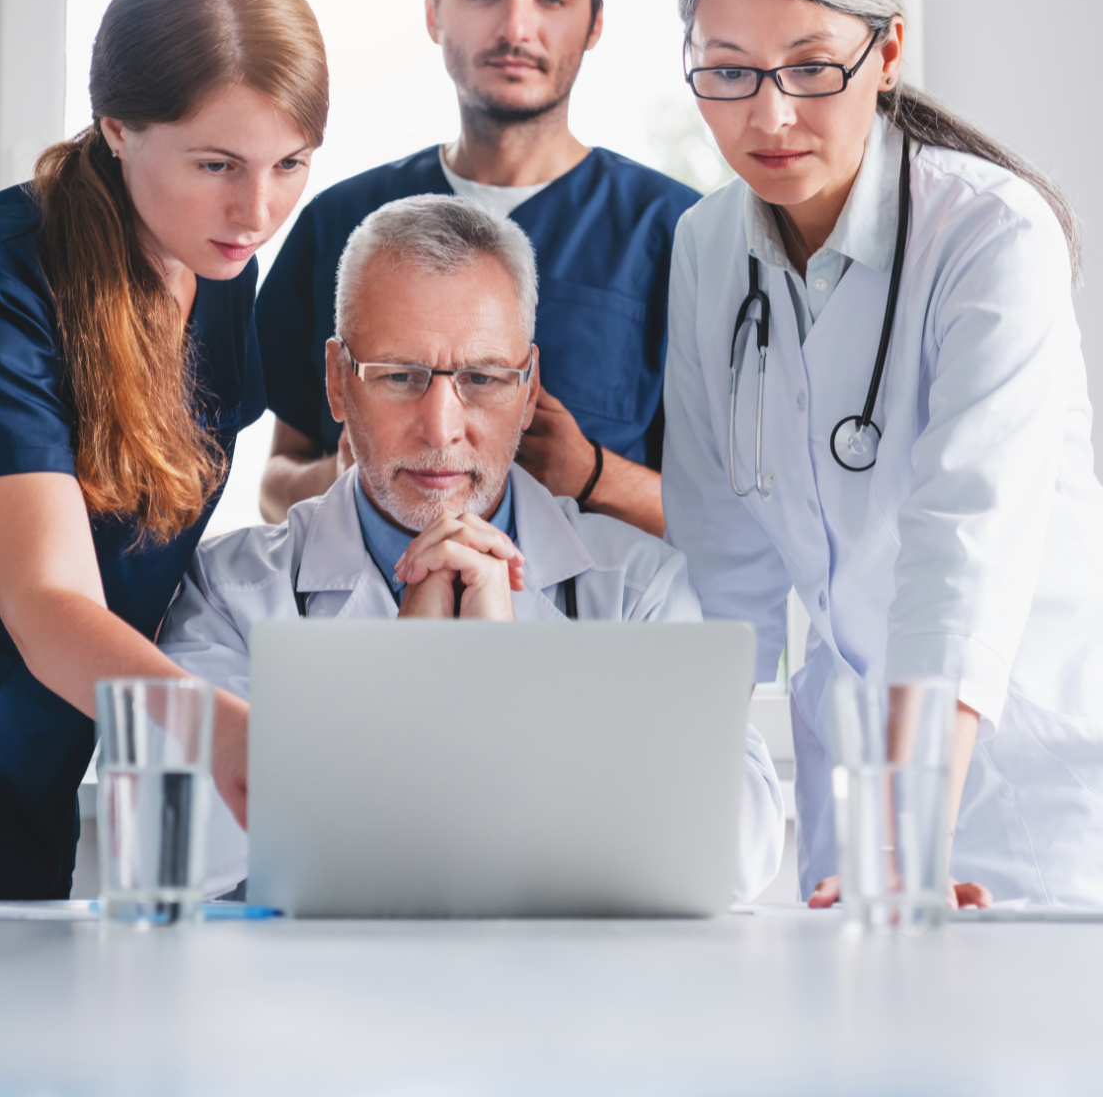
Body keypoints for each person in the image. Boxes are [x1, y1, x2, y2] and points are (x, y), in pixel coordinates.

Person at [0, 0, 328, 908]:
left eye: (290, 164)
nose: (256, 210)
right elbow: (52, 601)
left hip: (22, 793)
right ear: (117, 127)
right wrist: (223, 729)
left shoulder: (217, 271)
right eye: (216, 164)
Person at [662, 0, 1103, 908]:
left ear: (887, 53)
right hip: (855, 791)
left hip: (1025, 783)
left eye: (811, 67)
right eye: (726, 72)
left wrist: (905, 833)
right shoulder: (705, 245)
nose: (767, 114)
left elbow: (963, 546)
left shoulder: (991, 234)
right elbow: (720, 566)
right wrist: (686, 824)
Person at [161, 195, 784, 901]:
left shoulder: (635, 587)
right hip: (324, 1003)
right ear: (337, 382)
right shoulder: (232, 588)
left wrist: (509, 680)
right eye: (399, 377)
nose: (442, 428)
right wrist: (404, 671)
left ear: (529, 390)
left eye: (483, 379)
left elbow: (737, 850)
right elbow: (181, 845)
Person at [256, 0, 699, 538]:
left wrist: (593, 476)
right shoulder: (339, 224)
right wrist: (347, 475)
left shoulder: (681, 235)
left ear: (596, 20)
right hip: (372, 632)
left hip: (593, 636)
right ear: (435, 12)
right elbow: (277, 481)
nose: (516, 28)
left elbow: (742, 532)